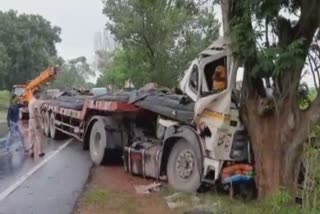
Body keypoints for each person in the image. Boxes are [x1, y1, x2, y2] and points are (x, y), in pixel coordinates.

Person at [28, 89, 45, 158]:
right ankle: (40, 152)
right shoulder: (35, 102)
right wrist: (38, 123)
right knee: (39, 136)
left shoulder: (31, 101)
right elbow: (35, 112)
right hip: (35, 120)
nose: (39, 95)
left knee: (31, 136)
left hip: (30, 120)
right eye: (38, 93)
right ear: (35, 94)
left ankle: (31, 151)